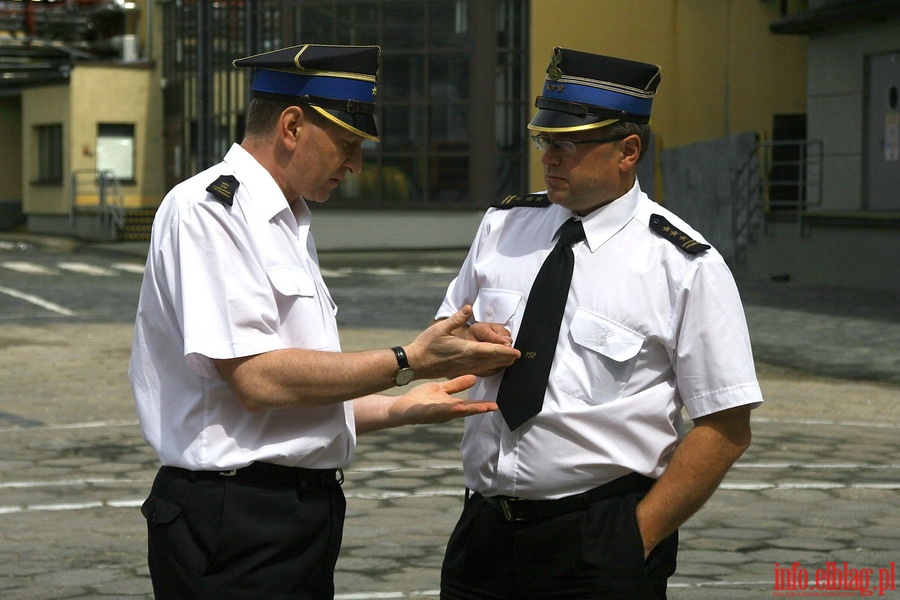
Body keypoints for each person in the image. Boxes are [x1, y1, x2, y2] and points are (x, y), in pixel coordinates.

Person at [128, 43, 519, 600]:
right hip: (235, 517)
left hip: (291, 512)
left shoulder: (286, 220)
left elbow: (289, 396)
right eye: (348, 144)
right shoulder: (211, 209)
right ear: (291, 126)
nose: (356, 164)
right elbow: (258, 380)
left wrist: (396, 406)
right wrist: (406, 362)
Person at [436, 47, 764, 600]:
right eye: (546, 139)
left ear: (628, 151)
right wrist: (465, 341)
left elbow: (726, 426)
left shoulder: (682, 263)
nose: (550, 156)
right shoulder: (505, 226)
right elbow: (444, 334)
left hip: (599, 537)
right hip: (485, 532)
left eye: (570, 142)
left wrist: (638, 536)